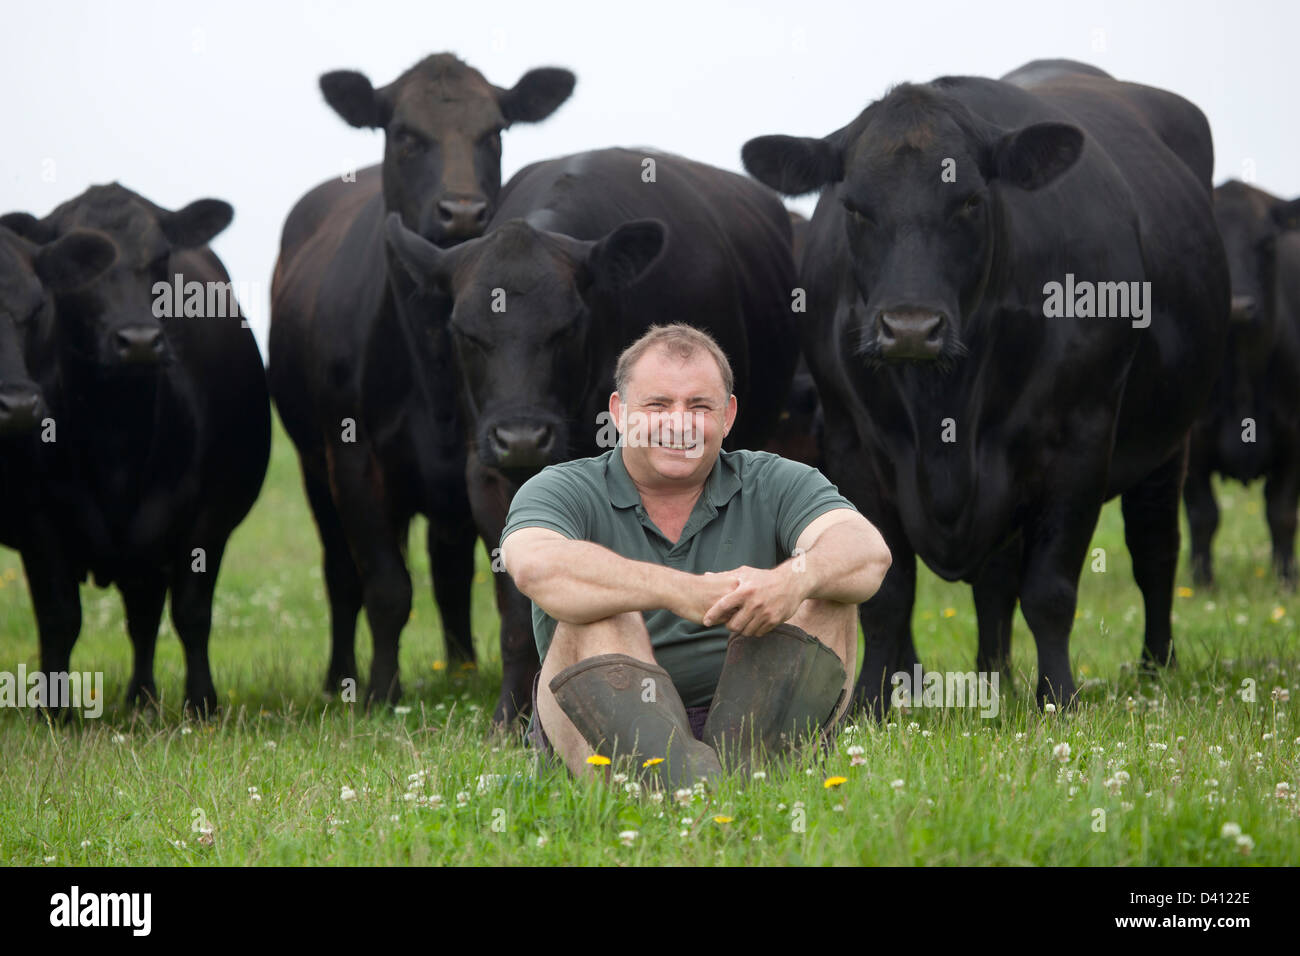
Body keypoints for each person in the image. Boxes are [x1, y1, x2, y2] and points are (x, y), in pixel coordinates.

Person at [500, 324, 891, 787]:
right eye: (658, 405)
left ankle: (744, 778)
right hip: (599, 734)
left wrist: (793, 581)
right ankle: (667, 785)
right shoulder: (561, 487)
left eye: (699, 406)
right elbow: (534, 565)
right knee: (602, 614)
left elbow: (868, 552)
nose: (679, 422)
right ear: (620, 414)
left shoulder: (776, 480)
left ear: (727, 417)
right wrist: (681, 591)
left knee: (828, 591)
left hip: (751, 722)